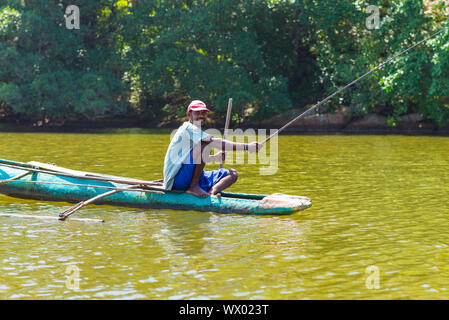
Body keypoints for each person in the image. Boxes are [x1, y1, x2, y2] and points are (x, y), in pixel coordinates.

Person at [163, 100, 259, 198]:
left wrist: (214, 158)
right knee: (205, 145)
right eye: (197, 113)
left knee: (232, 174)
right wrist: (247, 147)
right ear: (189, 114)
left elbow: (189, 159)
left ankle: (211, 193)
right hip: (177, 181)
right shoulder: (187, 128)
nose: (201, 115)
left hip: (192, 176)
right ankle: (193, 187)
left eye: (203, 113)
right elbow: (215, 142)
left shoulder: (196, 132)